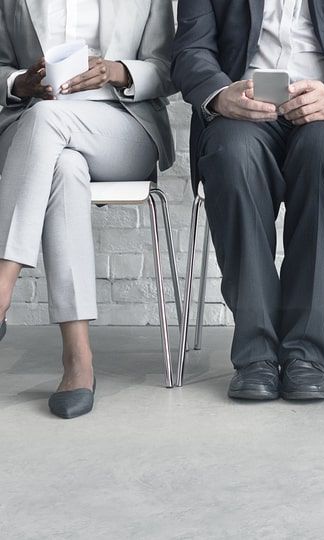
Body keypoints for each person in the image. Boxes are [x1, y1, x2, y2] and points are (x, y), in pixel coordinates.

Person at [171, 0, 324, 403]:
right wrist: (219, 94)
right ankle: (255, 356)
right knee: (234, 158)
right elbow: (191, 49)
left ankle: (305, 355)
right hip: (242, 111)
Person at [0, 0, 176, 419]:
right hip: (35, 134)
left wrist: (118, 70)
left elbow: (169, 68)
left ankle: (2, 285)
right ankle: (77, 359)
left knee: (48, 121)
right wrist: (18, 83)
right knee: (64, 164)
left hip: (123, 124)